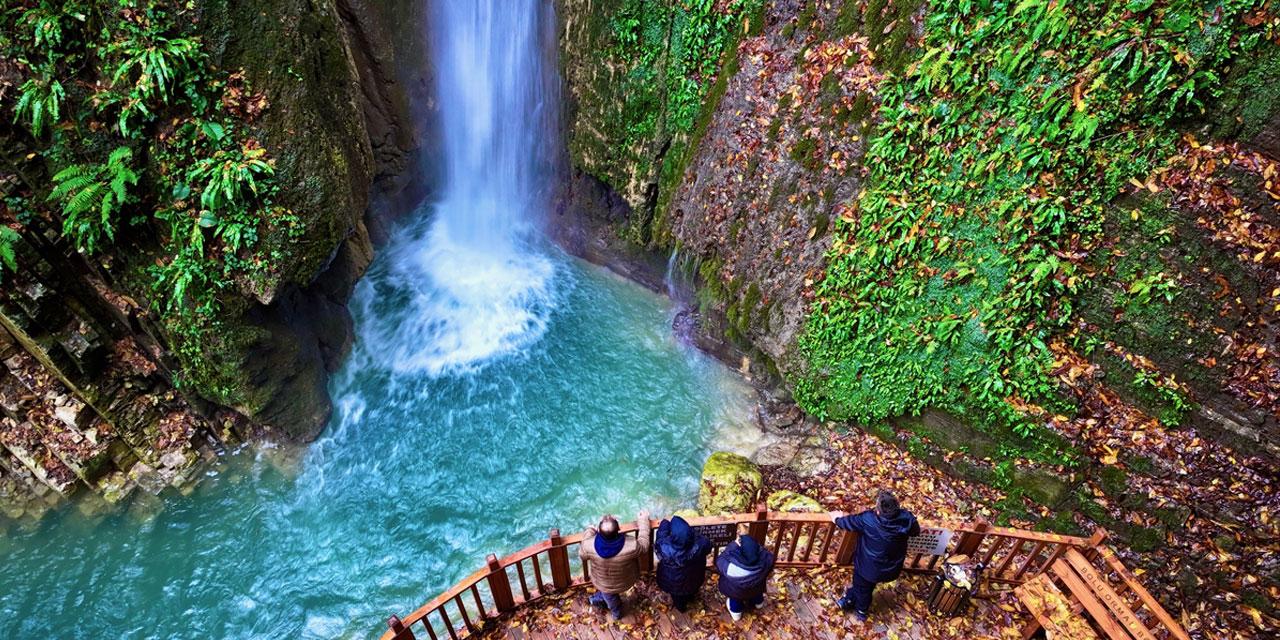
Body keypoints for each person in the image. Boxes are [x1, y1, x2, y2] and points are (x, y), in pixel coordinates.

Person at [829, 489, 921, 621]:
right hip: (892, 567)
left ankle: (861, 610)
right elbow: (915, 531)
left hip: (868, 568)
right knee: (864, 586)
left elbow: (849, 522)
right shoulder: (907, 519)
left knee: (863, 588)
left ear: (878, 511)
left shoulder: (869, 519)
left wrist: (837, 518)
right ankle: (849, 598)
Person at [579, 509, 650, 619]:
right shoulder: (631, 545)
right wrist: (643, 521)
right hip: (625, 580)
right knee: (609, 596)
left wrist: (589, 531)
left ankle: (616, 614)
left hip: (603, 583)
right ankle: (603, 602)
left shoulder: (589, 545)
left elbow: (582, 554)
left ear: (598, 530)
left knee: (610, 598)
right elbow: (644, 545)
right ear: (619, 529)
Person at [654, 515, 713, 612]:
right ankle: (689, 597)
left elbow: (660, 538)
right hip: (693, 577)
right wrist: (693, 534)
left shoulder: (664, 547)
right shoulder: (700, 543)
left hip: (672, 581)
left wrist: (665, 523)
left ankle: (681, 608)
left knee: (677, 596)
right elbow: (708, 547)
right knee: (691, 589)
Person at [715, 533, 776, 621]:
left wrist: (733, 545)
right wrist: (754, 547)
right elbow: (769, 556)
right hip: (757, 588)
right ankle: (759, 603)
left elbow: (720, 560)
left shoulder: (730, 567)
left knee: (735, 601)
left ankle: (736, 614)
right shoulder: (766, 562)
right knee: (757, 594)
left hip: (736, 592)